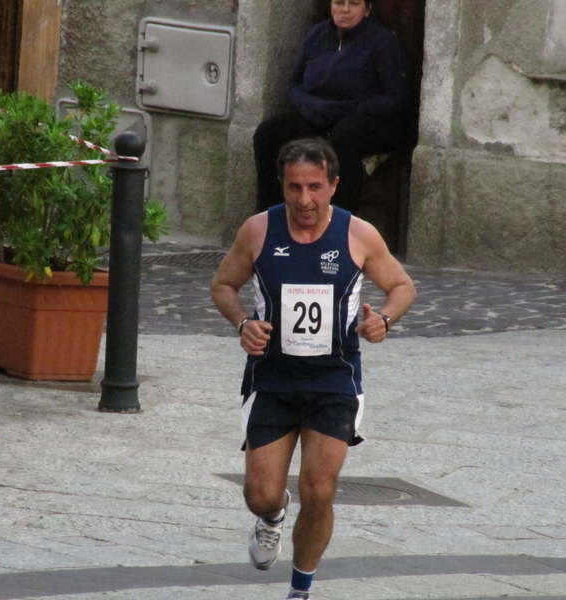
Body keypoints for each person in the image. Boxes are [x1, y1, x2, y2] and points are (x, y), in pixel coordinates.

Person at [210, 137, 415, 600]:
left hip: (333, 379)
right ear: (281, 186)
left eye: (315, 187)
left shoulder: (358, 234)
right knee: (260, 494)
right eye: (294, 187)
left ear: (334, 185)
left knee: (319, 488)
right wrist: (243, 322)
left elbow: (402, 285)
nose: (305, 200)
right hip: (273, 377)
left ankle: (300, 590)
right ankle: (272, 516)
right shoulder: (258, 231)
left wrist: (384, 318)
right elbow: (223, 284)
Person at [253, 0, 413, 215]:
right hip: (318, 115)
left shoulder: (382, 42)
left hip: (366, 119)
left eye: (353, 4)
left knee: (344, 137)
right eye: (339, 3)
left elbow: (396, 99)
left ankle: (338, 224)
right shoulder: (318, 35)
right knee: (269, 133)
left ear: (367, 9)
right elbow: (293, 84)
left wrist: (346, 109)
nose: (344, 9)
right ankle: (272, 220)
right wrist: (309, 105)